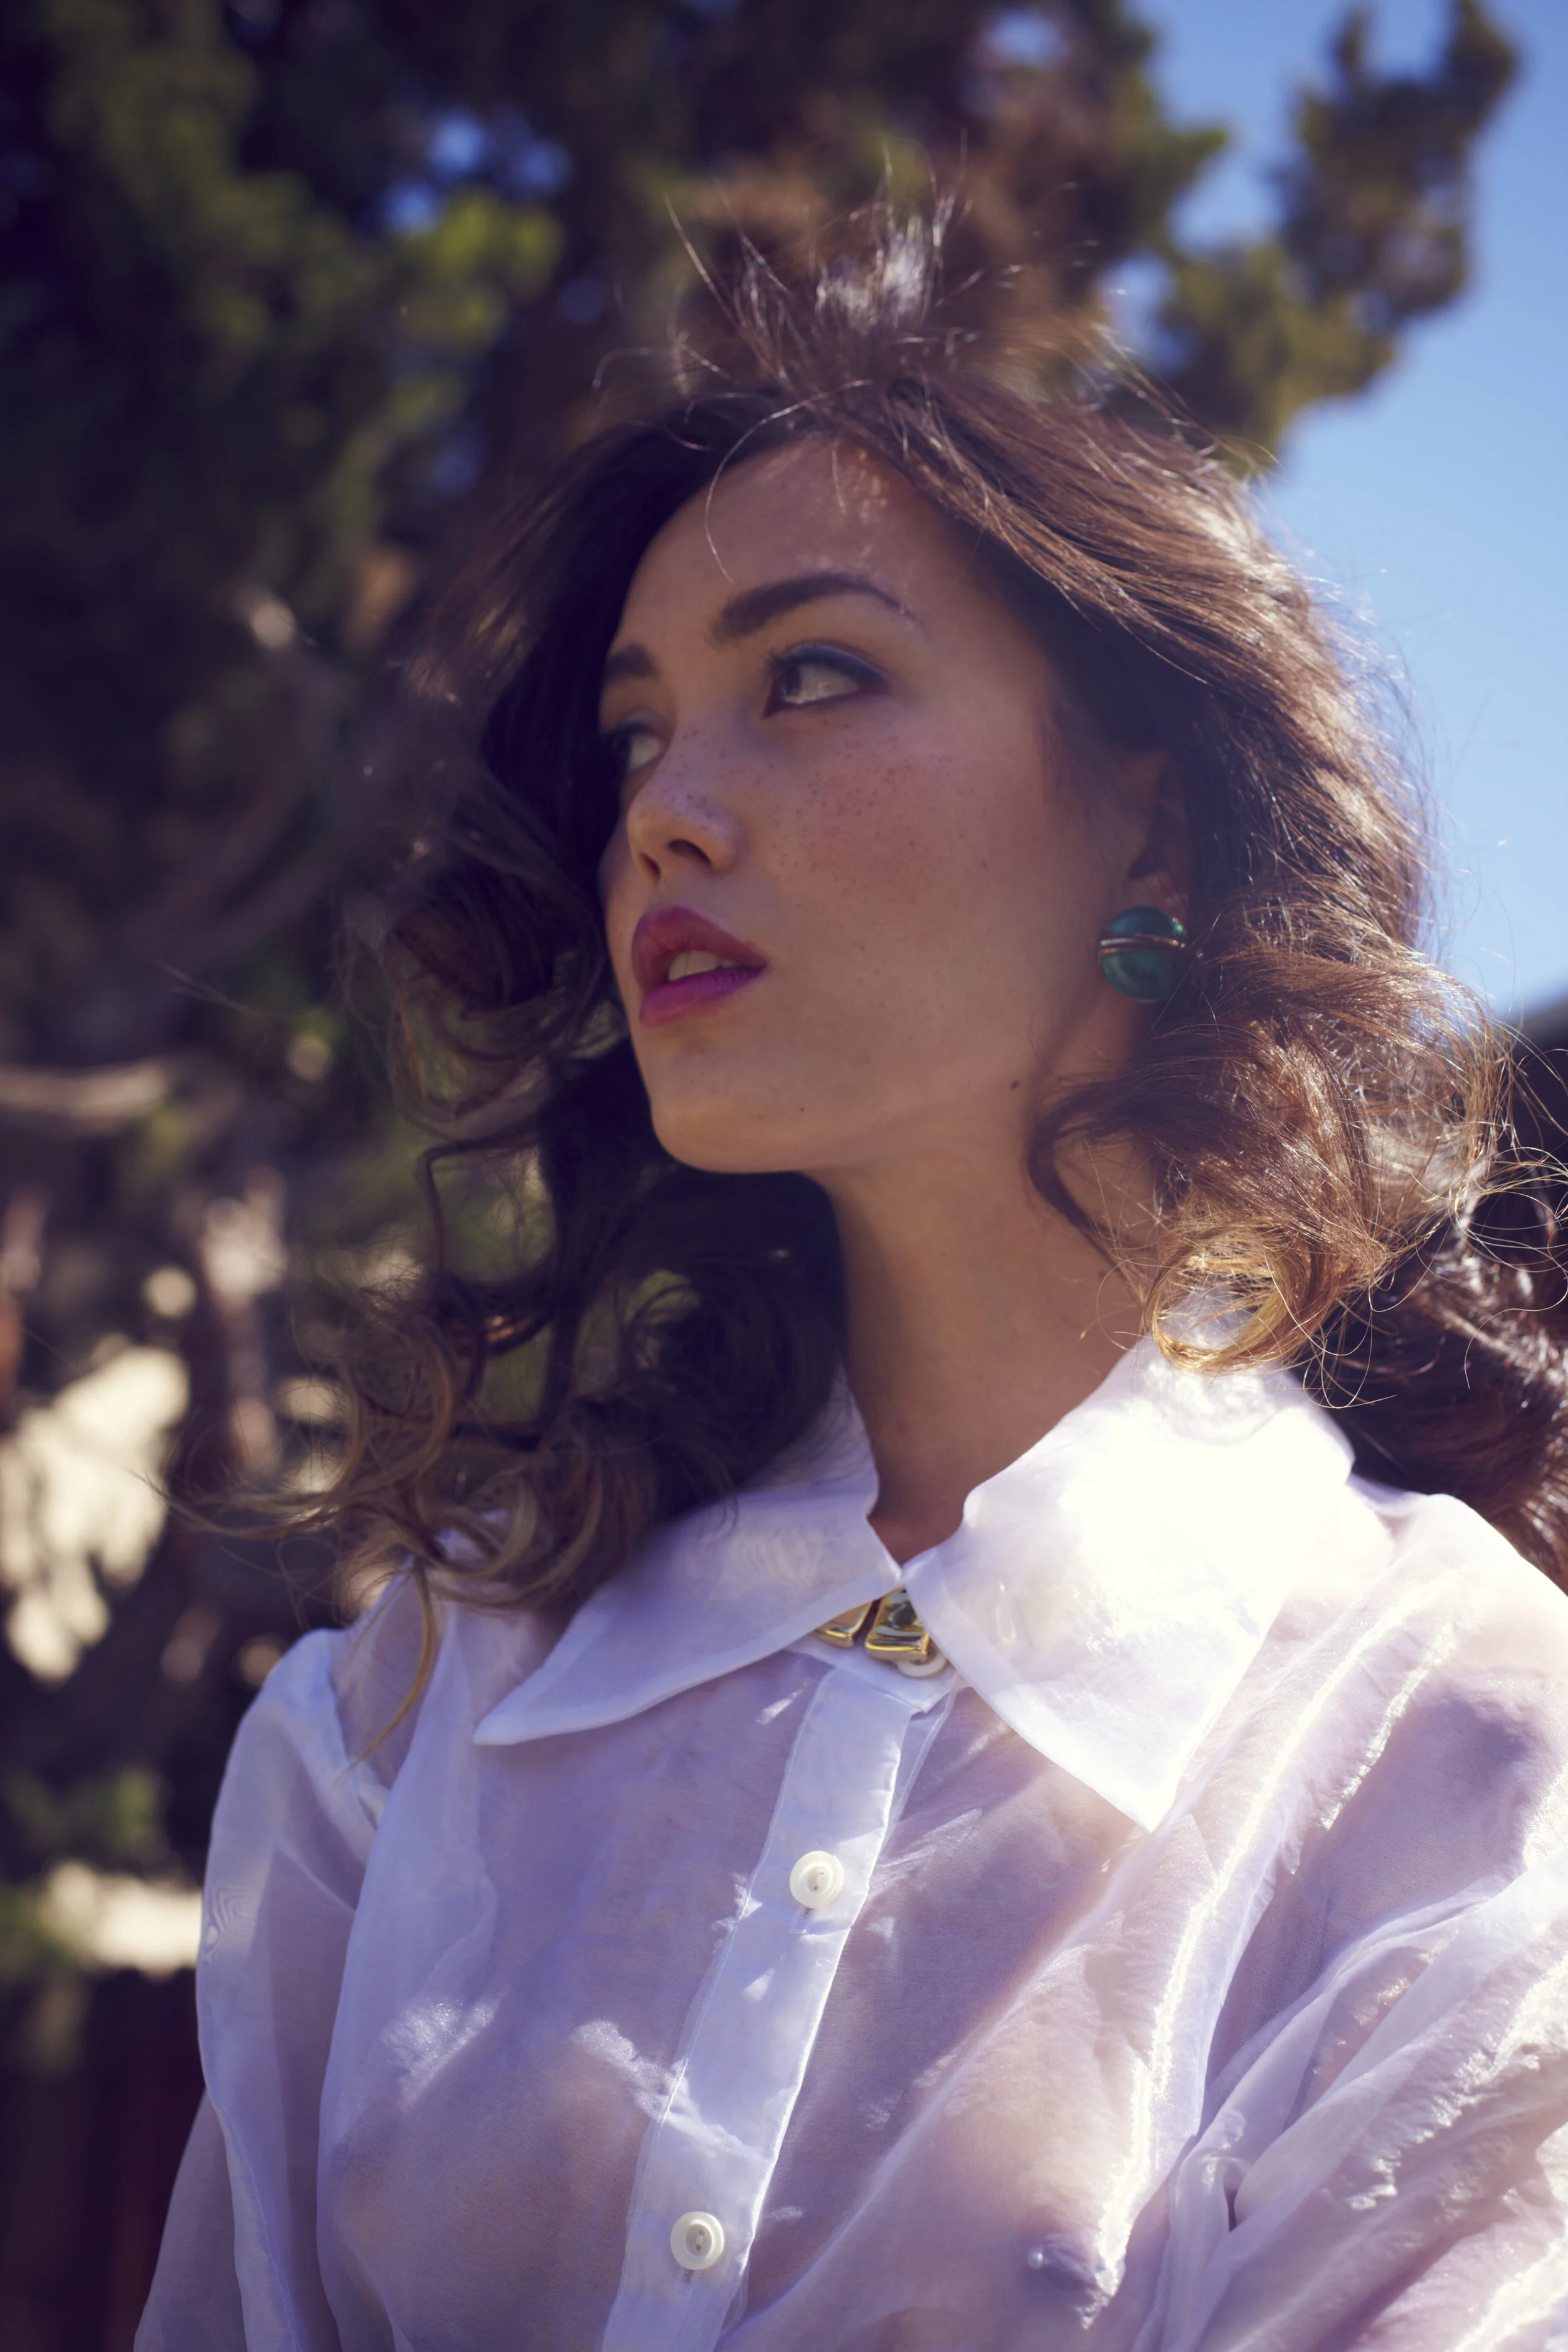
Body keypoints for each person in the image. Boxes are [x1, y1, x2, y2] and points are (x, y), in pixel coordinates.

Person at [139, 205, 1568, 2351]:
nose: (672, 818)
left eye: (811, 678)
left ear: (1152, 828)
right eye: (637, 735)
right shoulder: (431, 1692)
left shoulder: (1458, 1750)